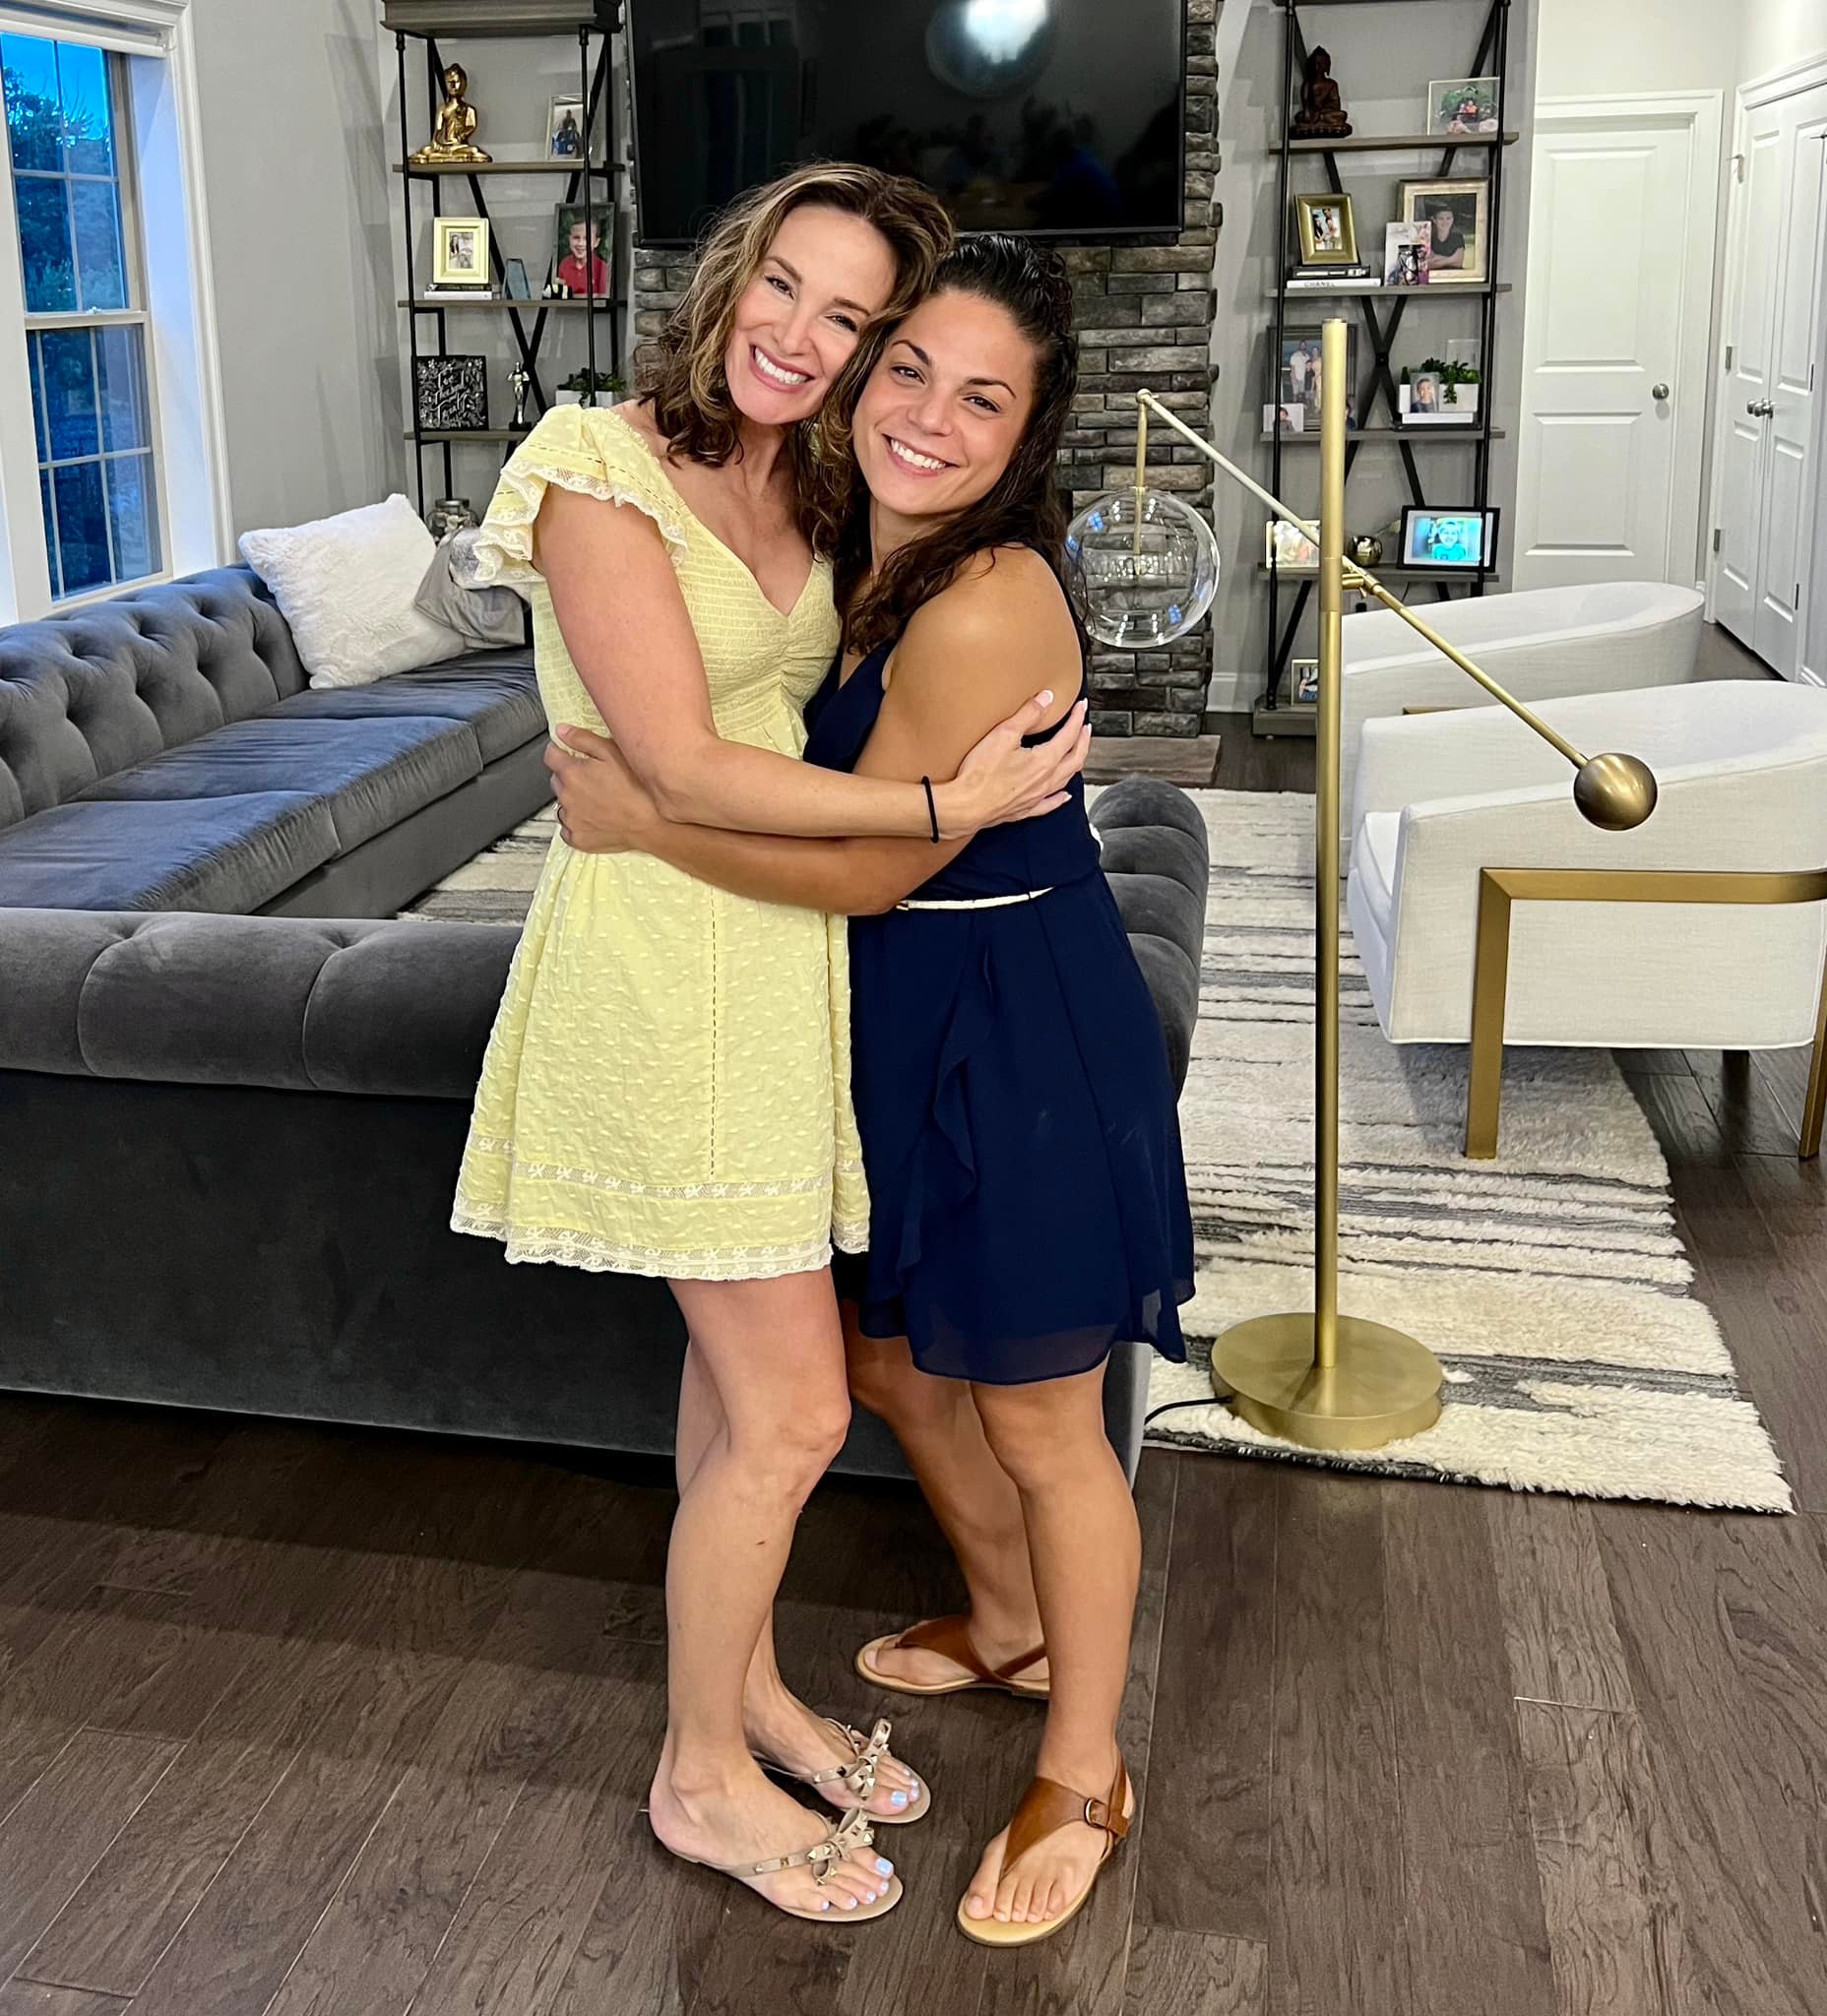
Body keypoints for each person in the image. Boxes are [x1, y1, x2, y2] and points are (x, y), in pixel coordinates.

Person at [455, 163, 1092, 1928]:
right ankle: (697, 1772)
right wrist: (943, 804)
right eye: (785, 285)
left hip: (785, 960)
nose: (803, 335)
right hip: (669, 967)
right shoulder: (597, 466)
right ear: (732, 272)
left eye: (851, 317)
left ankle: (742, 1696)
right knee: (800, 1405)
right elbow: (672, 763)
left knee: (735, 1391)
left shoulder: (806, 482)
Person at [556, 214, 610, 296]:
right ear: (569, 239)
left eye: (587, 238)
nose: (580, 243)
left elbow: (603, 298)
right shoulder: (564, 265)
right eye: (576, 237)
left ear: (596, 242)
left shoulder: (602, 268)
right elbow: (559, 296)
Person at [1420, 201, 1467, 273]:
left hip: (1454, 275)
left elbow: (1458, 263)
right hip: (1433, 277)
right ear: (1434, 220)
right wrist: (1451, 259)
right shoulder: (1429, 239)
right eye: (1441, 218)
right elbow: (1425, 265)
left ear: (1452, 219)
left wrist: (1436, 259)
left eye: (1448, 218)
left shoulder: (1458, 238)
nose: (1445, 222)